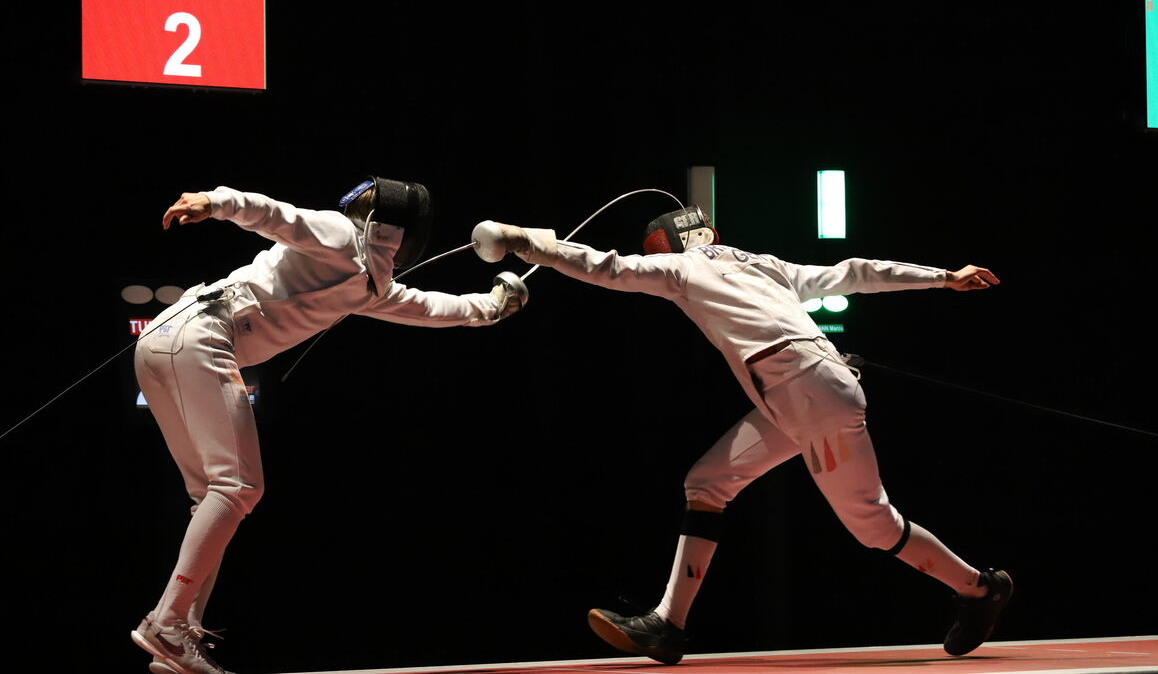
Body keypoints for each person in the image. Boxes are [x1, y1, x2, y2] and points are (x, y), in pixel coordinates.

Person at [470, 206, 1011, 665]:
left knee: (871, 523)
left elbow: (606, 267)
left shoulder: (683, 267)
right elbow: (852, 272)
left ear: (670, 244)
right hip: (796, 395)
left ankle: (980, 588)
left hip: (808, 395)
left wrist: (524, 241)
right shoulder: (765, 264)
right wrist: (943, 276)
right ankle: (667, 625)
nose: (655, 256)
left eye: (656, 248)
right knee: (707, 482)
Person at [131, 178, 528, 674]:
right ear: (398, 232)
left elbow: (427, 307)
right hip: (202, 338)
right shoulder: (339, 236)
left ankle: (178, 634)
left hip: (161, 338)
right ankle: (167, 623)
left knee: (213, 495)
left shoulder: (368, 286)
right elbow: (277, 216)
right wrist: (215, 202)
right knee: (238, 487)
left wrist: (492, 307)